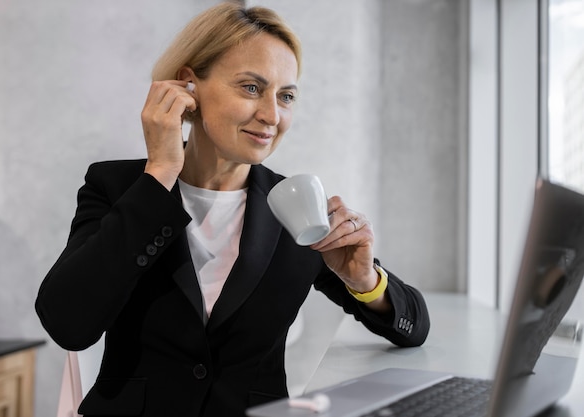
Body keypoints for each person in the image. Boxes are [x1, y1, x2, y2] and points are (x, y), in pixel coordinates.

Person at [35, 3, 430, 416]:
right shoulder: (117, 187)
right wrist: (160, 174)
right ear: (189, 86)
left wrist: (364, 279)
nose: (272, 116)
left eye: (286, 96)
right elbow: (68, 323)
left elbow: (413, 326)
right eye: (251, 88)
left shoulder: (296, 208)